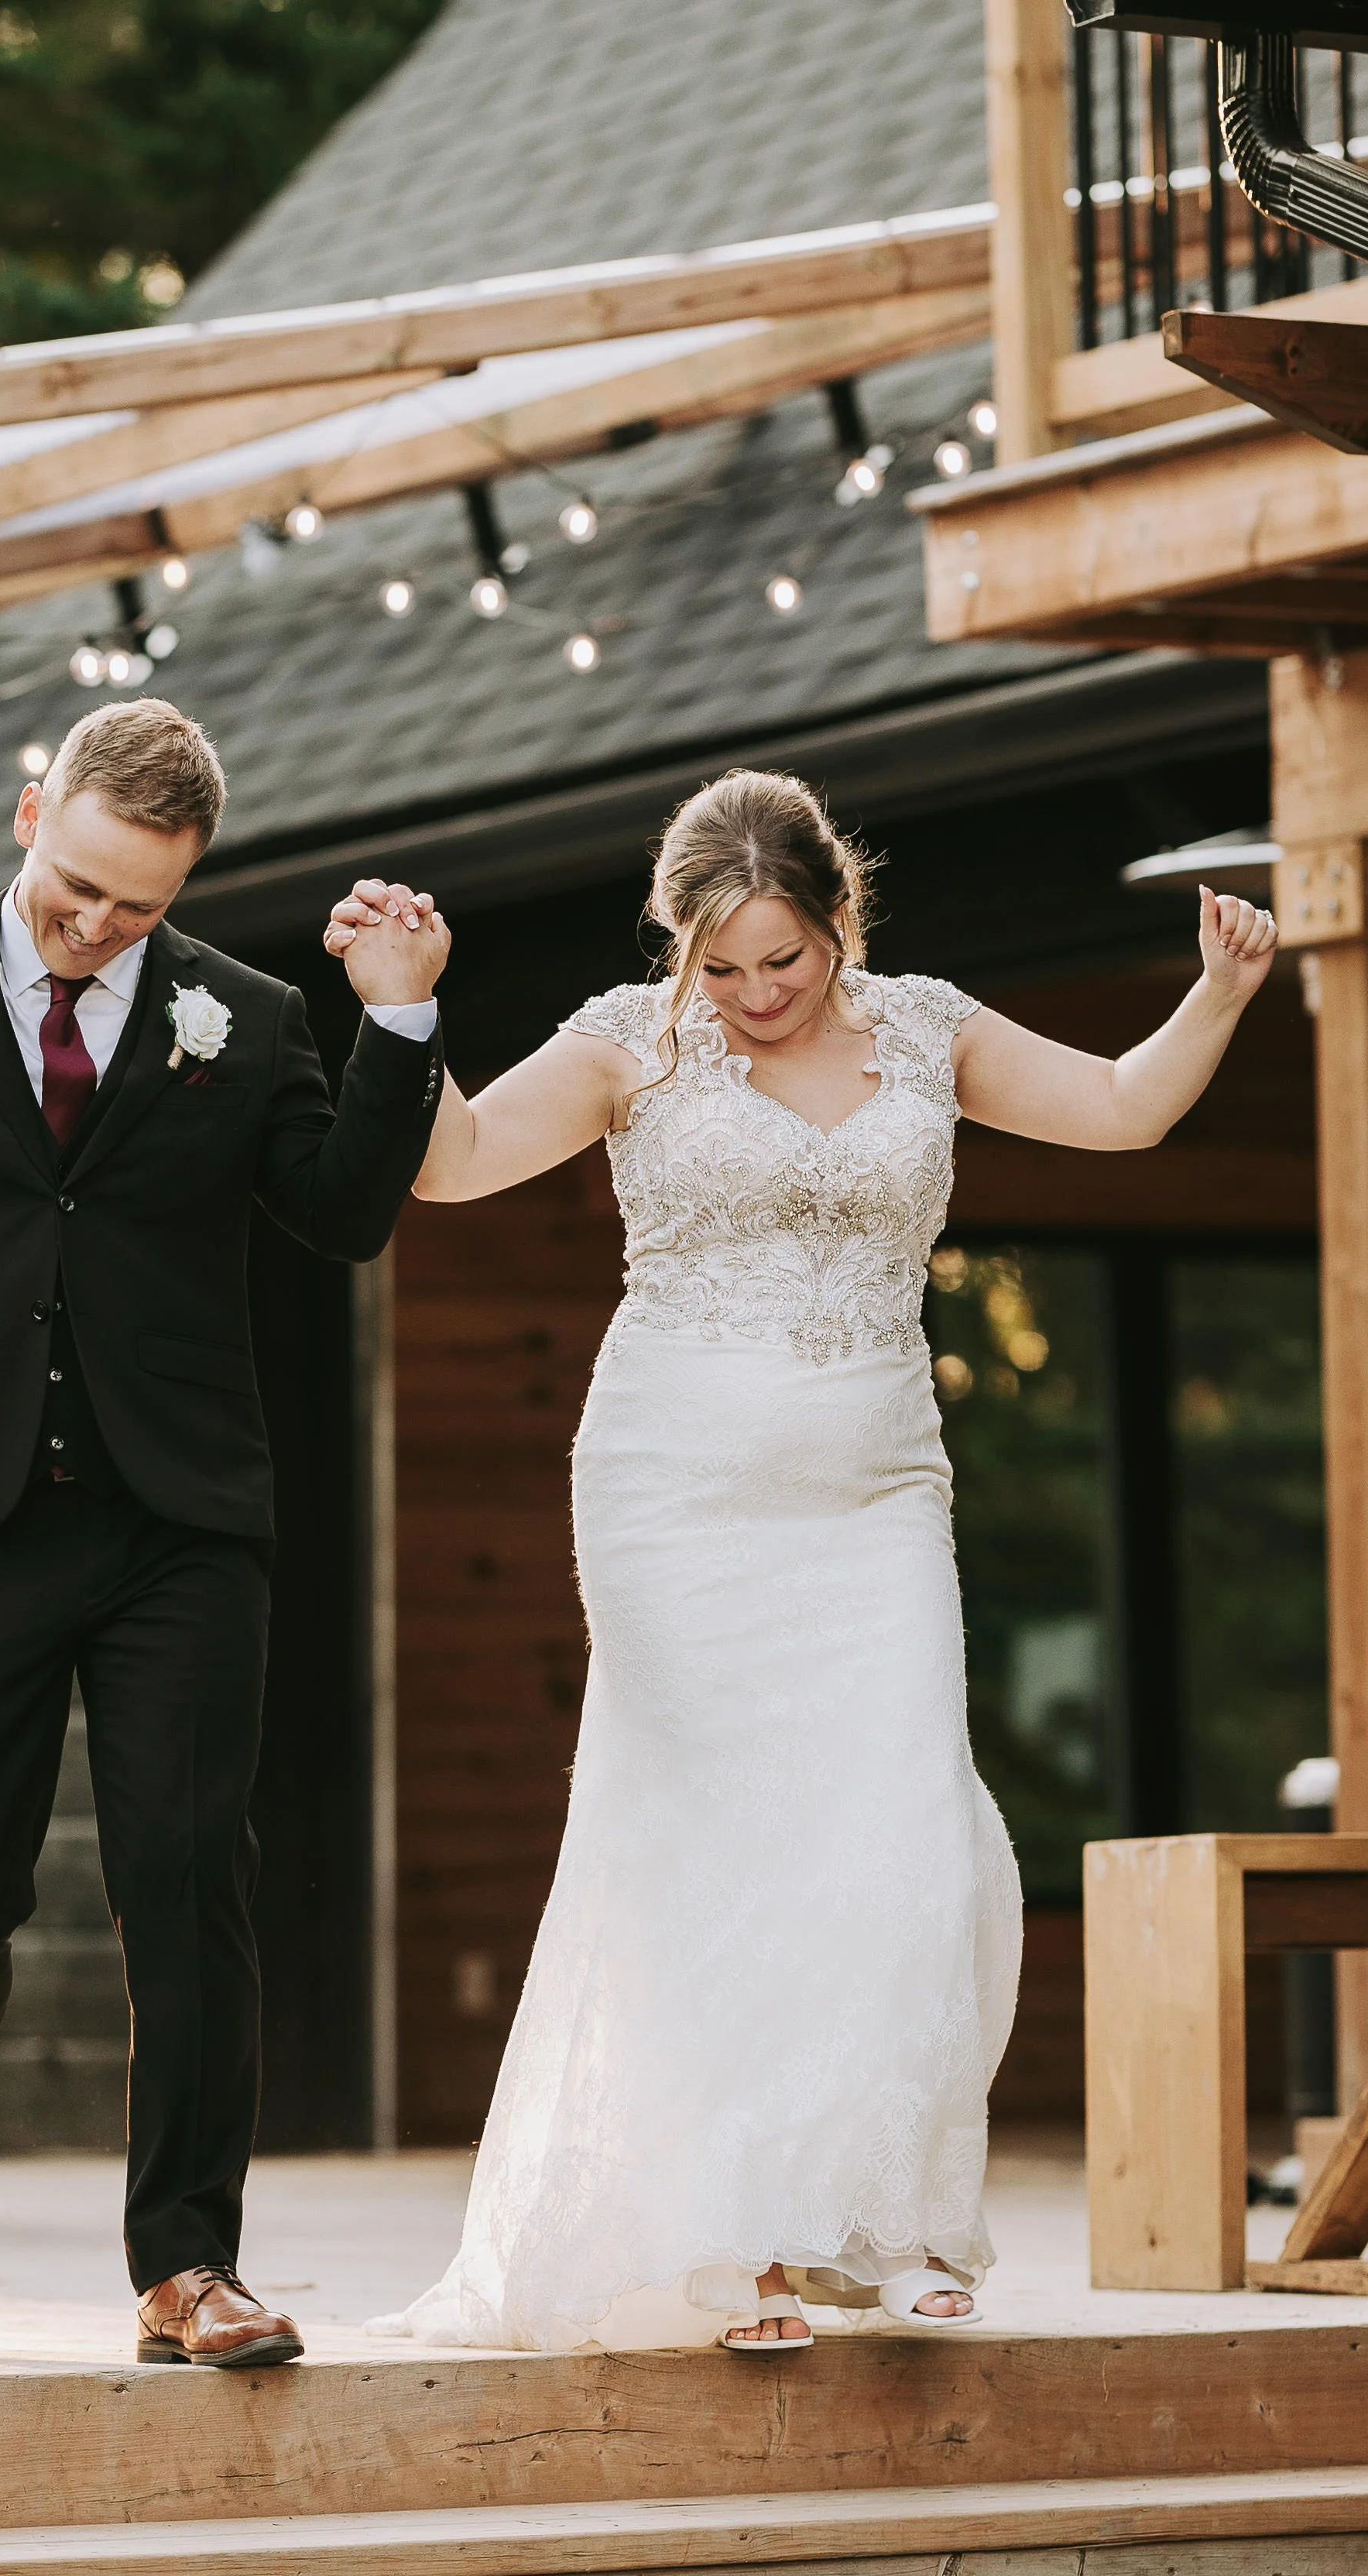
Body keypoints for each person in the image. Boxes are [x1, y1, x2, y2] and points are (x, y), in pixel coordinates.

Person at [334, 768, 1276, 2355]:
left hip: (876, 1494)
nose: (761, 996)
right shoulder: (628, 1042)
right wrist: (404, 1011)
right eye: (726, 967)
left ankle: (890, 2220)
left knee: (907, 1833)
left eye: (790, 959)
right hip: (673, 1499)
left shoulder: (926, 1025)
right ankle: (746, 2248)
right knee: (717, 1855)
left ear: (842, 925)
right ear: (678, 947)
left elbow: (1125, 1109)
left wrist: (1221, 988)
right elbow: (463, 1159)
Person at [0, 698, 450, 2368]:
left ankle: (189, 2260)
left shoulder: (244, 1016)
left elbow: (337, 1217)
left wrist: (397, 1029)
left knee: (192, 1878)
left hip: (180, 1511)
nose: (96, 924)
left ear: (187, 879)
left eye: (137, 903)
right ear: (32, 808)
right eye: (76, 883)